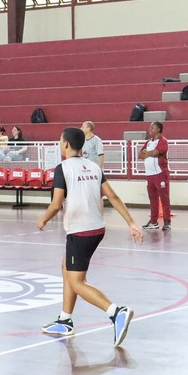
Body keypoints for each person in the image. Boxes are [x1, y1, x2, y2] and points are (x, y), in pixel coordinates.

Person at [37, 126, 143, 345]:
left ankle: (116, 312)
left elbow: (56, 204)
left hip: (80, 230)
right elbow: (112, 196)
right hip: (97, 229)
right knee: (66, 267)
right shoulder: (94, 166)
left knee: (77, 282)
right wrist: (131, 223)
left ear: (66, 144)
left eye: (60, 141)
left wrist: (43, 219)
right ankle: (65, 320)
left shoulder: (62, 168)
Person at [139, 120, 170, 231]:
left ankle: (167, 222)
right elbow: (140, 155)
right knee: (152, 199)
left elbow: (156, 152)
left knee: (164, 199)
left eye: (152, 128)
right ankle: (153, 221)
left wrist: (148, 153)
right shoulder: (148, 142)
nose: (149, 130)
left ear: (158, 129)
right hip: (149, 174)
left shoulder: (163, 141)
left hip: (160, 173)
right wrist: (149, 153)